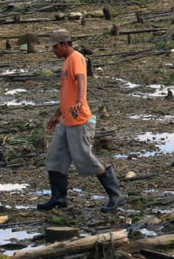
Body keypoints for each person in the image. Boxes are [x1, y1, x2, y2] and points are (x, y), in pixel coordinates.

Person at [37, 29, 126, 212]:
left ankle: (116, 195)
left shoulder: (76, 58)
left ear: (64, 44)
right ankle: (58, 198)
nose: (53, 50)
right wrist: (56, 115)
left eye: (55, 47)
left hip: (79, 120)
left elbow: (81, 80)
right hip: (66, 120)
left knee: (85, 158)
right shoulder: (65, 63)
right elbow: (65, 94)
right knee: (54, 158)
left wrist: (79, 100)